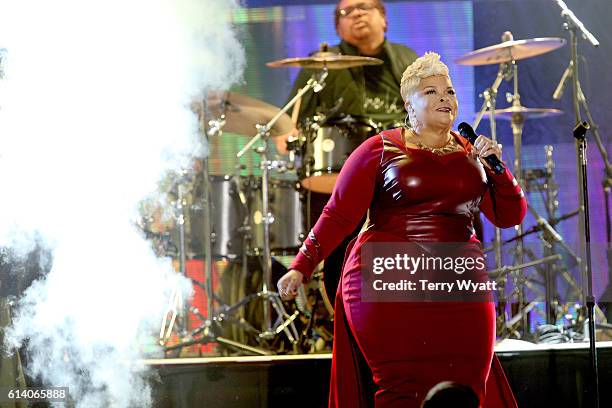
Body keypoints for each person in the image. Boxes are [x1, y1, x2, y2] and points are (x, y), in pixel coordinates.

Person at [277, 52, 527, 407]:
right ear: (409, 103)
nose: (445, 98)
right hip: (389, 279)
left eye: (450, 91)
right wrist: (300, 266)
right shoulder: (379, 149)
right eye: (431, 91)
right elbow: (338, 215)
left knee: (469, 386)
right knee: (401, 389)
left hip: (459, 281)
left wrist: (498, 170)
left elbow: (509, 215)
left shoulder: (473, 155)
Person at [279, 0, 418, 305]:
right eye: (346, 11)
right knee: (340, 235)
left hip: (404, 168)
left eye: (365, 6)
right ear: (338, 26)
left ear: (384, 18)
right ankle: (343, 305)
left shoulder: (409, 61)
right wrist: (288, 133)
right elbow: (289, 123)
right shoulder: (322, 67)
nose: (356, 13)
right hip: (344, 172)